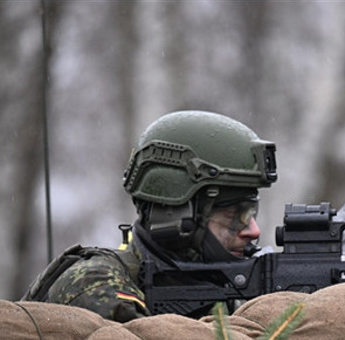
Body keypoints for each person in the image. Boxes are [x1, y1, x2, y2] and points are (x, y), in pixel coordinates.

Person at [22, 110, 278, 322]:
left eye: (251, 213)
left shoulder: (219, 288)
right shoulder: (93, 284)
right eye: (233, 215)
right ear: (175, 213)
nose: (252, 230)